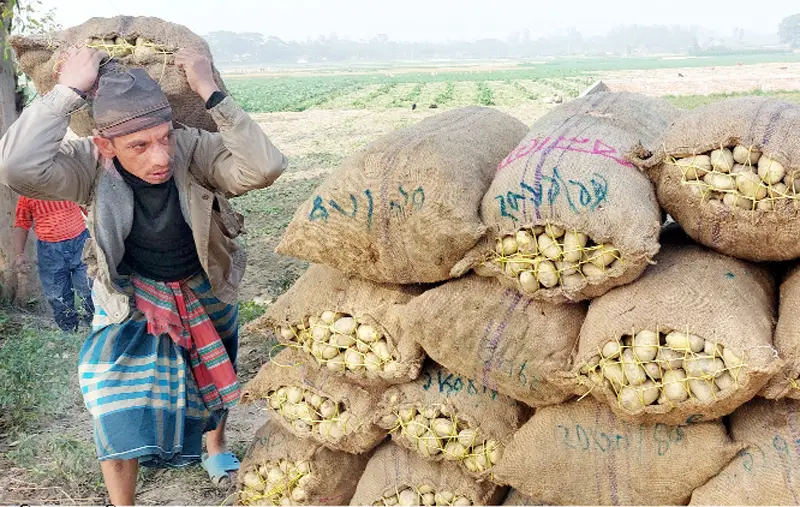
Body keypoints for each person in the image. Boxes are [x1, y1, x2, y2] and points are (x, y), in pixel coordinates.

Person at [0, 46, 287, 505]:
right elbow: (16, 166)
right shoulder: (86, 167)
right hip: (129, 298)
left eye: (164, 138)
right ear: (104, 145)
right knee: (114, 409)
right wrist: (68, 90)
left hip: (203, 286)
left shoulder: (191, 148)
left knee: (213, 378)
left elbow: (264, 166)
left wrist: (209, 89)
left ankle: (215, 447)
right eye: (140, 145)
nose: (160, 157)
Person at [12, 196, 94, 331]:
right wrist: (19, 254)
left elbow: (87, 207)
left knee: (89, 288)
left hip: (80, 242)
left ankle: (94, 328)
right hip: (49, 250)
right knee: (57, 295)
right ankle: (69, 332)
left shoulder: (66, 181)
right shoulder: (27, 193)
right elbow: (22, 223)